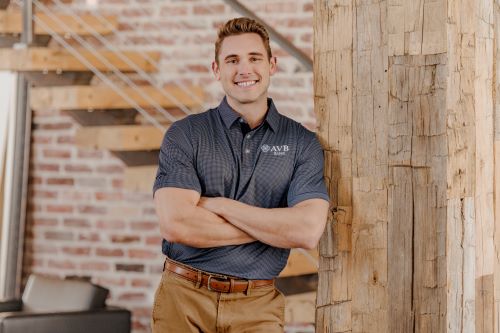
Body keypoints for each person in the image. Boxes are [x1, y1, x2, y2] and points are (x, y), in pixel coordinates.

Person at [151, 17, 330, 333]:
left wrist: (219, 206)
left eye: (254, 58)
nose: (244, 69)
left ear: (272, 65)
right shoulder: (185, 134)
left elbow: (306, 231)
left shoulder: (302, 142)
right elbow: (176, 224)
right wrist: (274, 226)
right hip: (183, 298)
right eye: (232, 60)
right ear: (217, 70)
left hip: (257, 305)